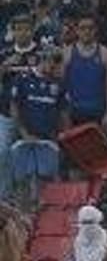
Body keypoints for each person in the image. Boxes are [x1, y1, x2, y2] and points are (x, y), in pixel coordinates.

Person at [9, 47, 65, 209]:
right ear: (44, 59)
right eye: (52, 64)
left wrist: (62, 134)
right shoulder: (23, 78)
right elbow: (14, 106)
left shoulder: (57, 83)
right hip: (24, 138)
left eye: (57, 65)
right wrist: (23, 132)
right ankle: (21, 216)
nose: (54, 68)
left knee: (46, 179)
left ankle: (43, 219)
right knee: (22, 179)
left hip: (47, 139)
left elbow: (63, 111)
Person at [61, 14, 107, 129]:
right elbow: (61, 85)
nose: (87, 31)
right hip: (74, 113)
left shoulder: (105, 53)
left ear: (96, 30)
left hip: (98, 113)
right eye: (83, 28)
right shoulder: (67, 53)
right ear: (76, 30)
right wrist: (63, 115)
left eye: (90, 28)